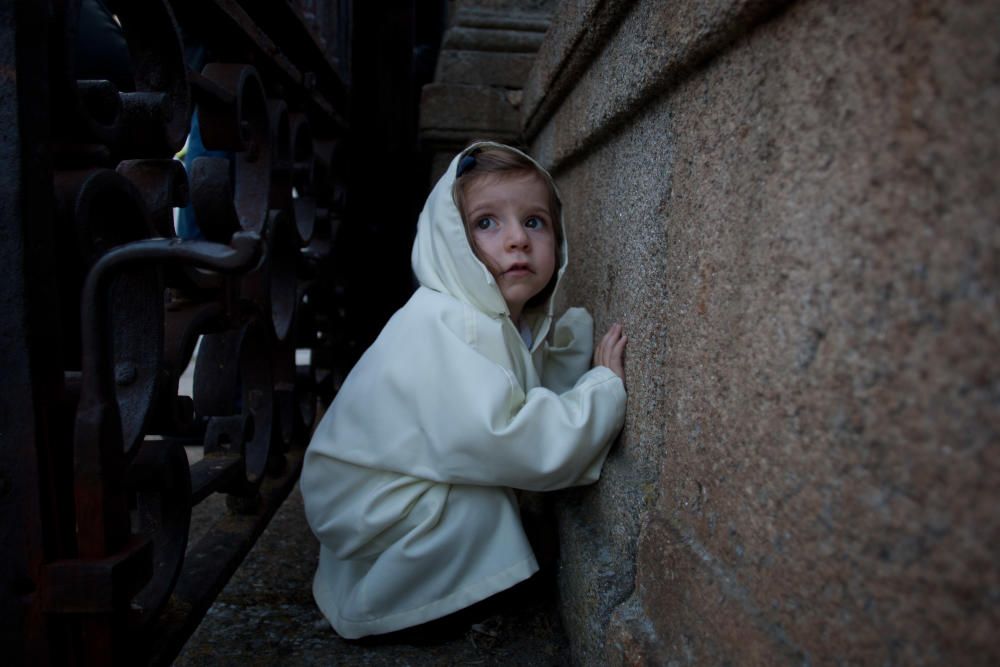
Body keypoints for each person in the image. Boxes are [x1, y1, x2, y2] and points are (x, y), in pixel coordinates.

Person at [300, 141, 628, 640]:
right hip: (366, 503)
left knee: (489, 506)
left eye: (535, 221)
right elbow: (503, 435)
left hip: (388, 485)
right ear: (450, 239)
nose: (517, 239)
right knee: (479, 506)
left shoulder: (498, 318)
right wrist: (601, 393)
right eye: (487, 223)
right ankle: (406, 612)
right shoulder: (442, 321)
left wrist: (571, 357)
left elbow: (524, 384)